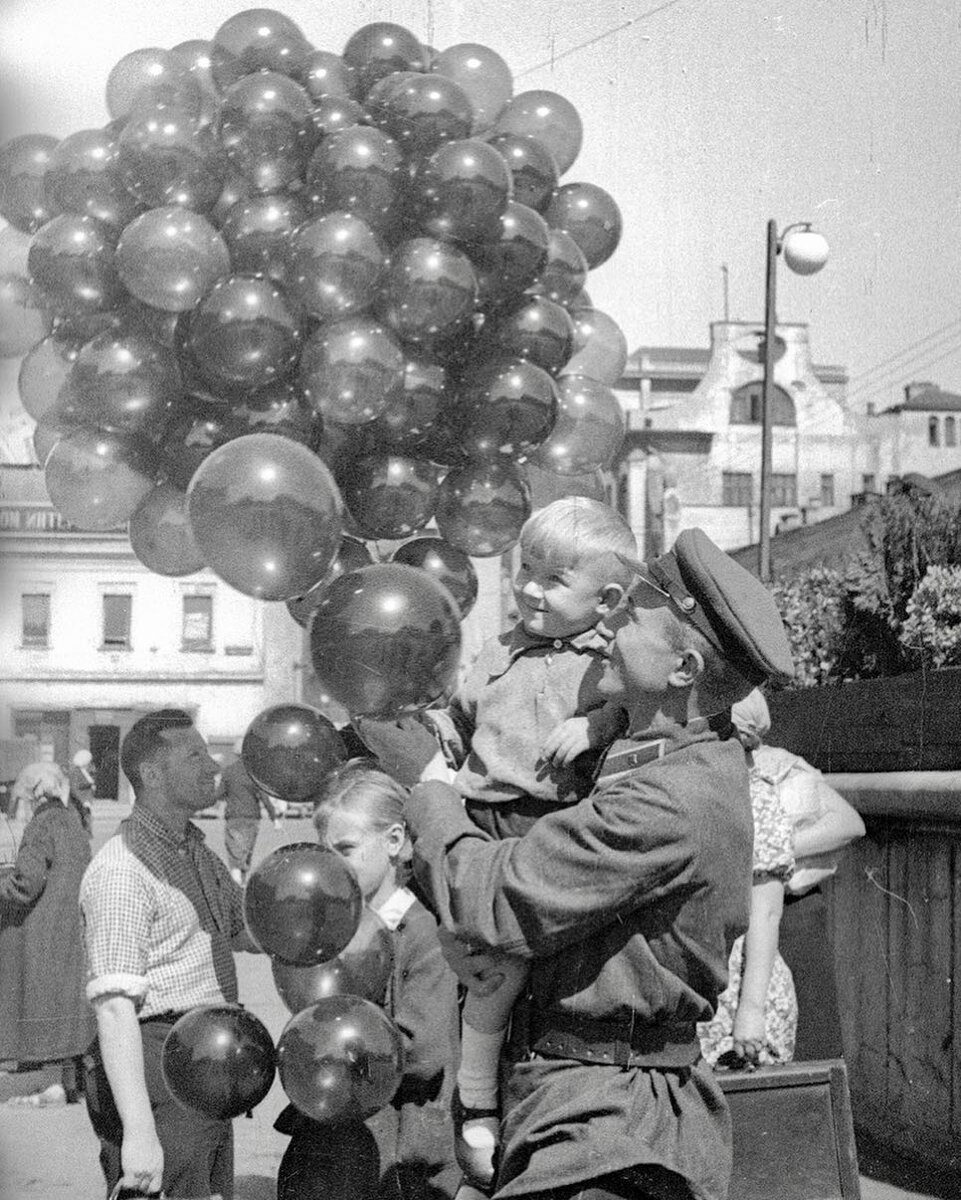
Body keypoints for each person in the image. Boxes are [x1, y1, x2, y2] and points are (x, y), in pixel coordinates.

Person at [406, 526, 795, 1200]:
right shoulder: (677, 753)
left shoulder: (667, 801)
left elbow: (494, 895)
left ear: (683, 672)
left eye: (630, 612)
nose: (606, 621)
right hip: (587, 1094)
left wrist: (428, 789)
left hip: (605, 1118)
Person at [410, 497, 637, 1188]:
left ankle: (519, 1102)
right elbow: (461, 713)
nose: (529, 589)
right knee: (493, 968)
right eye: (525, 570)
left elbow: (638, 706)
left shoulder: (609, 660)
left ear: (605, 599)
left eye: (551, 579)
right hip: (487, 821)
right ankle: (476, 1091)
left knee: (549, 976)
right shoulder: (498, 649)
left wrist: (598, 725)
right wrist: (443, 735)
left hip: (554, 824)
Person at [80, 708, 258, 1200]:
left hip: (205, 1069)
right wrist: (139, 1134)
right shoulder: (123, 871)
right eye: (195, 755)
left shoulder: (194, 851)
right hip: (159, 1070)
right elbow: (114, 1008)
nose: (212, 766)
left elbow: (244, 930)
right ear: (153, 775)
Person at [274, 763, 461, 1200]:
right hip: (331, 1135)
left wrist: (335, 1052)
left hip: (398, 1148)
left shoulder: (424, 934)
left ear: (394, 842)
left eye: (346, 848)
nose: (331, 866)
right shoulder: (332, 933)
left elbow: (425, 1052)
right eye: (325, 851)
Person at [729, 689, 866, 1061]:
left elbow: (848, 823)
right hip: (739, 913)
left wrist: (771, 852)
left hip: (790, 913)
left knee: (809, 1036)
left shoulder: (779, 767)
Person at [696, 710, 797, 1068]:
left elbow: (765, 914)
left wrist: (751, 1011)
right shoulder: (699, 790)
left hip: (739, 993)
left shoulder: (756, 797)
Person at [0, 761, 95, 1105]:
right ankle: (68, 1083)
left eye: (21, 797)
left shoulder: (42, 825)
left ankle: (52, 1087)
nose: (19, 805)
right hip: (70, 925)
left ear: (35, 794)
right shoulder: (73, 820)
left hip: (44, 928)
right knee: (67, 1005)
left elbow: (26, 883)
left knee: (44, 1002)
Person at [219, 743, 285, 885]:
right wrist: (275, 819)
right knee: (247, 850)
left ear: (235, 754)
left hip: (234, 817)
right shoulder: (254, 774)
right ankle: (240, 879)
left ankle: (236, 876)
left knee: (235, 849)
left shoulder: (228, 771)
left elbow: (219, 794)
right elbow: (265, 798)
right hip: (252, 818)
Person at [69, 748, 97, 836]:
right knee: (81, 819)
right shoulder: (76, 772)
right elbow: (74, 788)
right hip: (80, 801)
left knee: (87, 818)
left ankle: (86, 834)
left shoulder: (85, 771)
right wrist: (82, 800)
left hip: (87, 800)